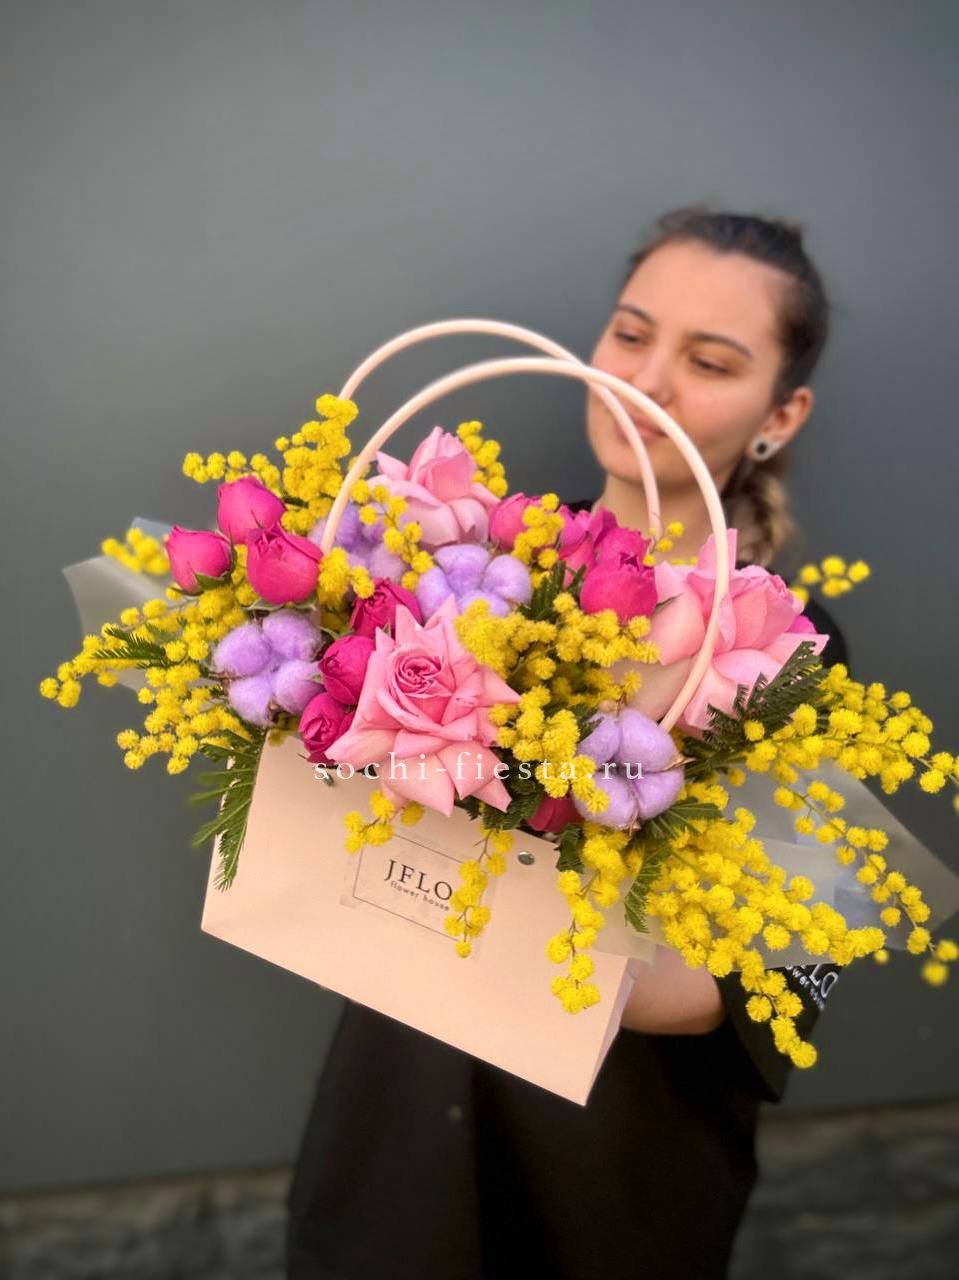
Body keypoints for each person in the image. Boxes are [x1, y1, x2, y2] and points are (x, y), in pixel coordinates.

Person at [285, 207, 849, 1280]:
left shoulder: (792, 654)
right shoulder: (465, 562)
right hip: (393, 1152)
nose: (647, 380)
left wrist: (472, 889)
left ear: (780, 413)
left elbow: (743, 986)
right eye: (630, 334)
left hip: (600, 1183)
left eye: (709, 361)